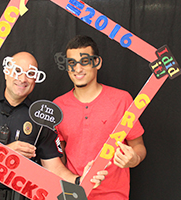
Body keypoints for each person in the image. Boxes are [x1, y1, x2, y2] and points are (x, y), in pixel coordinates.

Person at [0, 51, 108, 200]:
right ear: (6, 72)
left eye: (30, 74)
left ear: (35, 80)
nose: (22, 79)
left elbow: (53, 167)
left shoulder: (41, 119)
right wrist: (4, 152)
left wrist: (79, 181)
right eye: (17, 71)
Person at [53, 35, 147, 200]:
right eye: (72, 63)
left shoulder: (122, 100)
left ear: (97, 62)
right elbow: (56, 157)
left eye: (85, 61)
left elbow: (138, 145)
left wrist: (134, 159)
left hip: (113, 195)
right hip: (73, 194)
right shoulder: (58, 106)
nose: (77, 69)